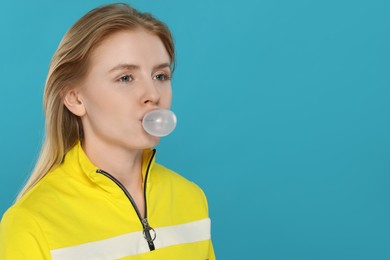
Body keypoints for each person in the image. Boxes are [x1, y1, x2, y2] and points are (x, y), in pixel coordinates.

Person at [0, 3, 215, 259]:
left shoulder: (191, 198)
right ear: (75, 98)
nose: (153, 94)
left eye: (160, 76)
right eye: (125, 77)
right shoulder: (31, 223)